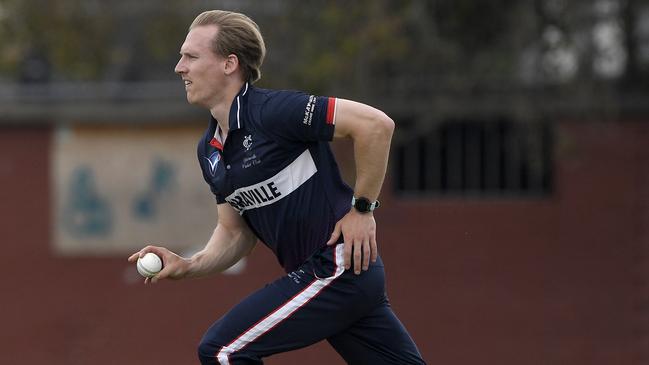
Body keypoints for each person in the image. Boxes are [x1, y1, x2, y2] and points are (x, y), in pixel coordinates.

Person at [128, 10, 425, 365]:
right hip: (336, 280)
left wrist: (363, 210)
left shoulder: (275, 111)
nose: (180, 67)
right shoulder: (209, 149)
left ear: (229, 64)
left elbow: (375, 125)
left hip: (336, 267)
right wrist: (190, 264)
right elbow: (235, 232)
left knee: (223, 351)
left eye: (191, 56)